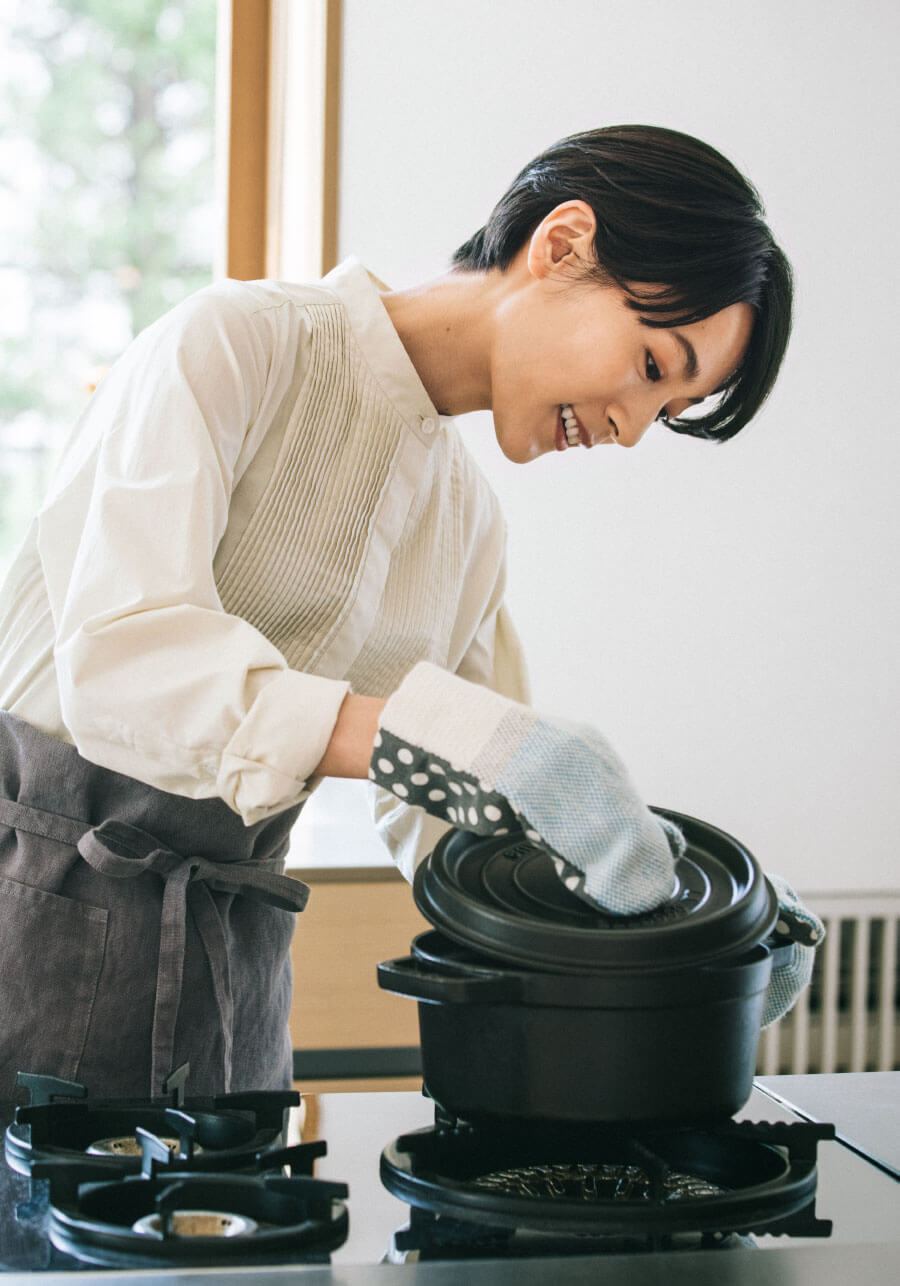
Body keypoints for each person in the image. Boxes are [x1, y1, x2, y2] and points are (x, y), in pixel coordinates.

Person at [0, 125, 821, 1104]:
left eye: (669, 410)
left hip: (235, 974)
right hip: (37, 916)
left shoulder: (467, 528)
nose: (631, 429)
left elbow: (467, 827)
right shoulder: (233, 343)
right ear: (561, 245)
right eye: (652, 367)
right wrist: (454, 734)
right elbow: (125, 664)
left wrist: (694, 941)